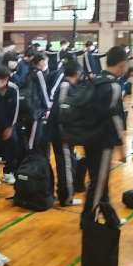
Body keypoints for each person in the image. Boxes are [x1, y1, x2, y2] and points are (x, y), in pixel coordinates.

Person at [80, 46, 128, 224]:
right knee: (98, 184)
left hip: (88, 139)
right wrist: (122, 147)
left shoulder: (94, 80)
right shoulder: (113, 86)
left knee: (100, 180)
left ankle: (110, 218)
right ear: (122, 64)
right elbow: (116, 119)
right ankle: (88, 222)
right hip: (102, 143)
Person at [47, 60, 82, 206]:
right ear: (77, 73)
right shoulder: (66, 86)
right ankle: (66, 197)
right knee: (66, 165)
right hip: (62, 134)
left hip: (62, 133)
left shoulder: (68, 86)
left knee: (65, 164)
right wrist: (66, 133)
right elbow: (61, 111)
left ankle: (63, 193)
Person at [27, 53, 52, 154]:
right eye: (45, 62)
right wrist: (48, 108)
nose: (46, 64)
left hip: (30, 107)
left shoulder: (30, 71)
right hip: (37, 109)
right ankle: (31, 157)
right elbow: (43, 91)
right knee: (34, 137)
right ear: (40, 62)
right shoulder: (39, 73)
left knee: (32, 135)